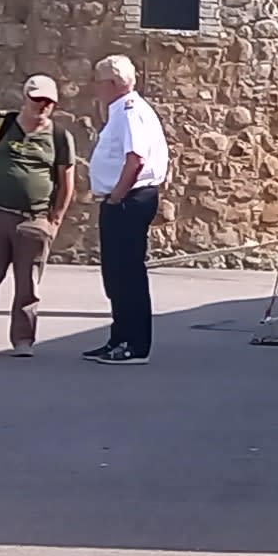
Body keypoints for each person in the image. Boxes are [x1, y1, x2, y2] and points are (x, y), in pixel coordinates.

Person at [0, 76, 77, 357]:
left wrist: (56, 219)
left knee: (27, 283)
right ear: (25, 97)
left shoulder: (59, 137)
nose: (42, 106)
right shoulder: (2, 125)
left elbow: (67, 180)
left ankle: (23, 339)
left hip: (35, 218)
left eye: (48, 102)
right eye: (37, 99)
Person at [81, 55, 171, 364]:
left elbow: (136, 159)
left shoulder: (131, 111)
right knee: (115, 274)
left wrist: (116, 197)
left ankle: (135, 344)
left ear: (112, 84)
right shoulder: (120, 111)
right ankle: (119, 338)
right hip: (122, 198)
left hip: (129, 199)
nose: (95, 88)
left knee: (128, 274)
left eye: (98, 82)